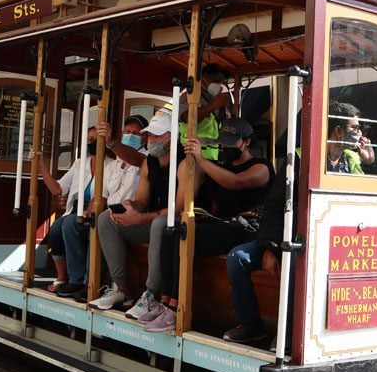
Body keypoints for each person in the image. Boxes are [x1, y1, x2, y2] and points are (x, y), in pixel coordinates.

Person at [128, 118, 273, 332]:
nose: (224, 146)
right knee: (172, 231)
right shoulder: (221, 166)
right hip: (225, 225)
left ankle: (177, 309)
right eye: (222, 141)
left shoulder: (261, 167)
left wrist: (201, 160)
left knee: (184, 235)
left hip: (249, 228)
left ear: (247, 142)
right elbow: (216, 204)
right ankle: (166, 301)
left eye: (230, 142)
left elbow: (235, 182)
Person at [35, 118, 144, 297]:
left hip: (119, 215)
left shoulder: (133, 160)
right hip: (92, 211)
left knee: (96, 224)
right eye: (90, 139)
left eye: (135, 133)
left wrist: (94, 210)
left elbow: (134, 162)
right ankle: (73, 279)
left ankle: (90, 283)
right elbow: (100, 193)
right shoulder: (96, 164)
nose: (92, 143)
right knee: (63, 225)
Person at [92, 109, 184, 310]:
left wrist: (141, 218)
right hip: (152, 222)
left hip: (175, 227)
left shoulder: (184, 163)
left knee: (160, 223)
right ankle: (122, 288)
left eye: (157, 135)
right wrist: (130, 207)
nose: (151, 139)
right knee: (106, 218)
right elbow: (142, 200)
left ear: (172, 137)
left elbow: (179, 209)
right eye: (150, 134)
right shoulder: (149, 163)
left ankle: (151, 294)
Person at [223, 148, 300, 344]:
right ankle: (251, 325)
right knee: (237, 257)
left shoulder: (352, 162)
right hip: (286, 239)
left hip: (316, 244)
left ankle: (290, 332)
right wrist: (270, 247)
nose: (357, 133)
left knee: (294, 262)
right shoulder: (297, 158)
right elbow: (274, 205)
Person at [325, 101, 367, 174]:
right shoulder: (306, 157)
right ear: (338, 130)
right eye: (355, 127)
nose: (359, 132)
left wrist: (370, 162)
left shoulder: (351, 160)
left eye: (359, 128)